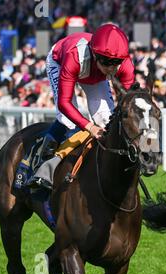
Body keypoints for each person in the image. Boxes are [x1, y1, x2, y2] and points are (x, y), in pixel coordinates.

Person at [22, 23, 135, 190]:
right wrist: (88, 126)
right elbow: (64, 103)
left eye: (116, 62)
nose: (111, 68)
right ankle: (43, 163)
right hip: (59, 61)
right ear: (95, 54)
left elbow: (129, 104)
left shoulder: (125, 64)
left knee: (105, 120)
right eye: (106, 62)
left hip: (92, 75)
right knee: (67, 120)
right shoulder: (75, 56)